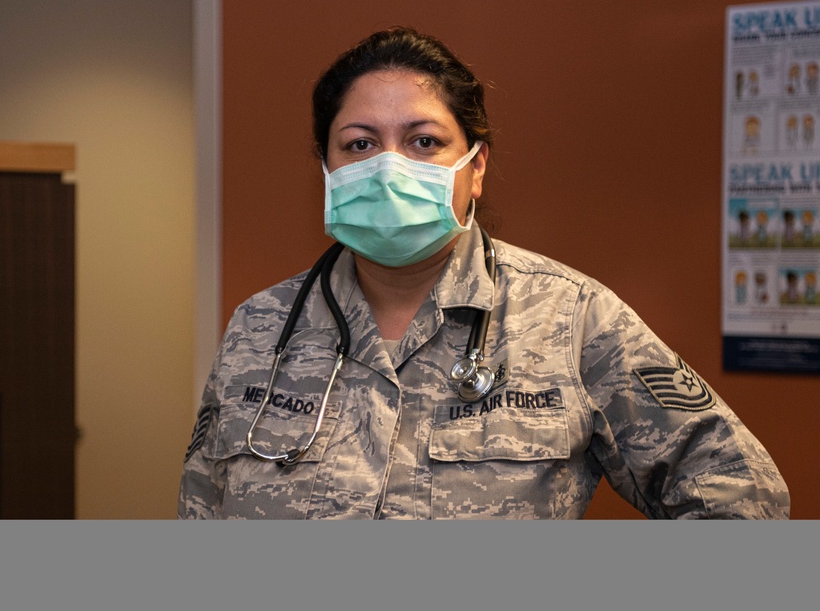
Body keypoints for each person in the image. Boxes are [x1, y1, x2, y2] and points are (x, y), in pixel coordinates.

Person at [179, 27, 790, 519]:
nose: (389, 167)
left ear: (475, 166)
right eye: (360, 145)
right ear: (327, 167)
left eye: (423, 142)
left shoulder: (573, 319)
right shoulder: (260, 327)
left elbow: (743, 497)